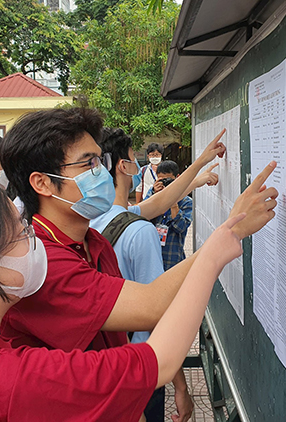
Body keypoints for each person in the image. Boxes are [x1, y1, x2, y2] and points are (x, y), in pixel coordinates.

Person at [0, 181, 249, 421]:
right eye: (20, 233)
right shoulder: (4, 376)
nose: (34, 241)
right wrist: (213, 255)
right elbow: (160, 362)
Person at [0, 108, 277, 358]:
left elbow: (156, 203)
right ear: (43, 183)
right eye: (88, 164)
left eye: (100, 160)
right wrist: (234, 228)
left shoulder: (92, 242)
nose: (102, 173)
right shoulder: (40, 260)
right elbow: (151, 306)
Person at [91, 129, 198, 422]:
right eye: (133, 158)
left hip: (99, 364)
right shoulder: (139, 231)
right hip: (138, 364)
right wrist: (180, 385)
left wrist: (198, 168)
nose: (139, 164)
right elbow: (156, 314)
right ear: (124, 166)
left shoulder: (85, 219)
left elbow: (155, 205)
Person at [145, 160, 192, 271]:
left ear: (177, 177)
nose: (166, 184)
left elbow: (181, 227)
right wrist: (155, 196)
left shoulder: (185, 201)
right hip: (151, 256)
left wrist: (173, 202)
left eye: (168, 180)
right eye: (162, 180)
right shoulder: (152, 194)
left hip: (173, 258)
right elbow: (142, 218)